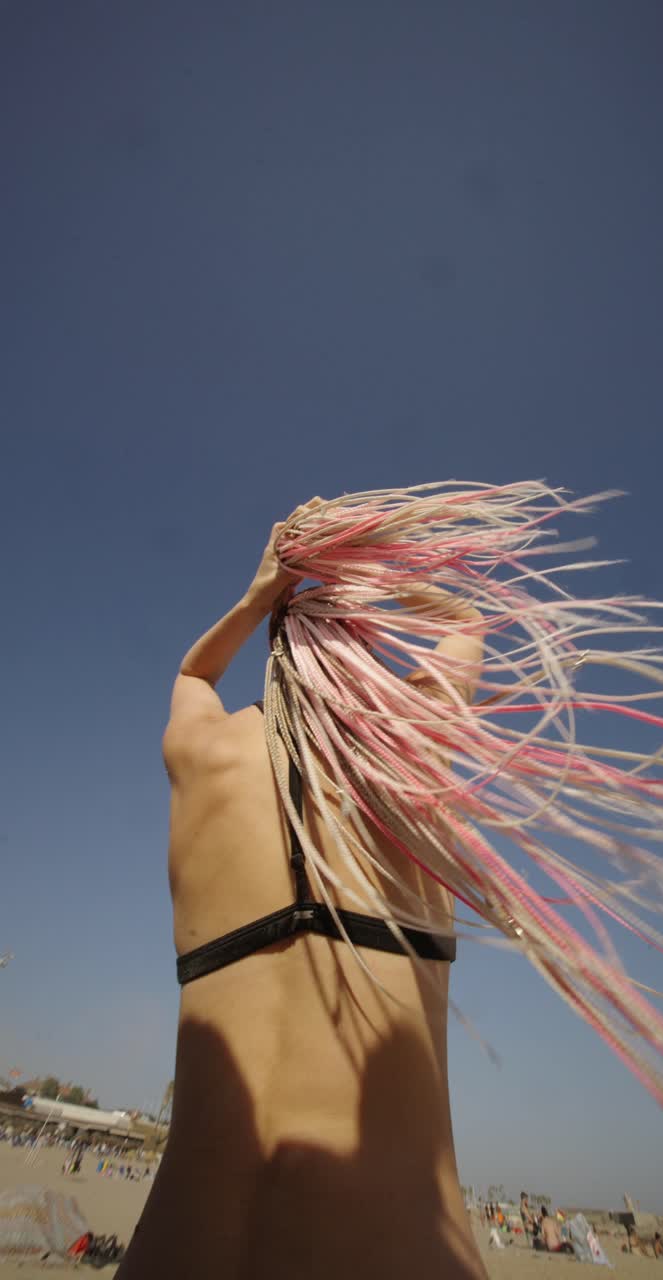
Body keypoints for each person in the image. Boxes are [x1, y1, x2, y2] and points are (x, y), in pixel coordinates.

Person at [118, 500, 487, 1279]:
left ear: (277, 642)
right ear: (371, 647)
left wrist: (262, 591)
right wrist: (367, 562)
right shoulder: (412, 748)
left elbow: (193, 674)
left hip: (175, 1252)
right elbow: (467, 623)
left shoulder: (204, 755)